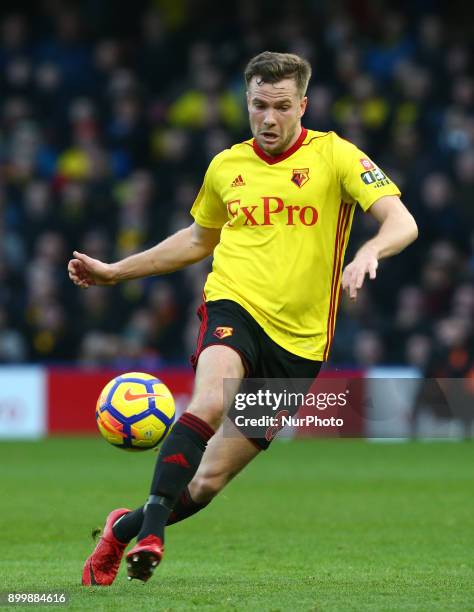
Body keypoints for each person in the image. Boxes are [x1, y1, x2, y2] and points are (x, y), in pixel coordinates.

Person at [68, 51, 418, 585]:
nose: (270, 119)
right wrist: (115, 272)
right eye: (259, 105)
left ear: (303, 104)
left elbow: (402, 221)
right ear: (247, 103)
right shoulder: (226, 166)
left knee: (206, 483)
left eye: (281, 106)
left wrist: (371, 252)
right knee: (209, 401)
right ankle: (153, 534)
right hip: (234, 306)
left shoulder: (337, 156)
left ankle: (123, 528)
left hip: (299, 346)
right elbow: (195, 240)